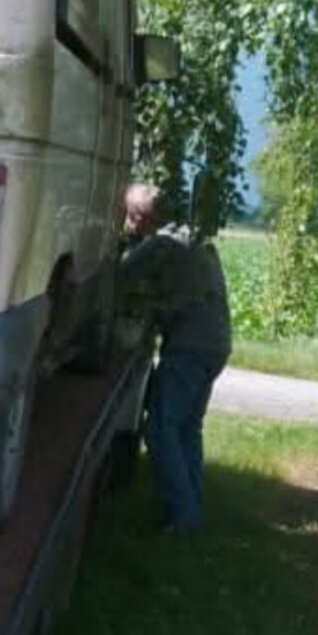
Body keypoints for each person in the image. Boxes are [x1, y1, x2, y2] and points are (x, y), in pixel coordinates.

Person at [118, 181, 232, 533]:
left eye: (127, 216)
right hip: (216, 344)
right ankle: (192, 506)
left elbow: (119, 276)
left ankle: (182, 516)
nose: (125, 222)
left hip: (189, 347)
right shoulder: (193, 239)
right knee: (186, 427)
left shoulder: (160, 244)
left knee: (160, 428)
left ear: (138, 217)